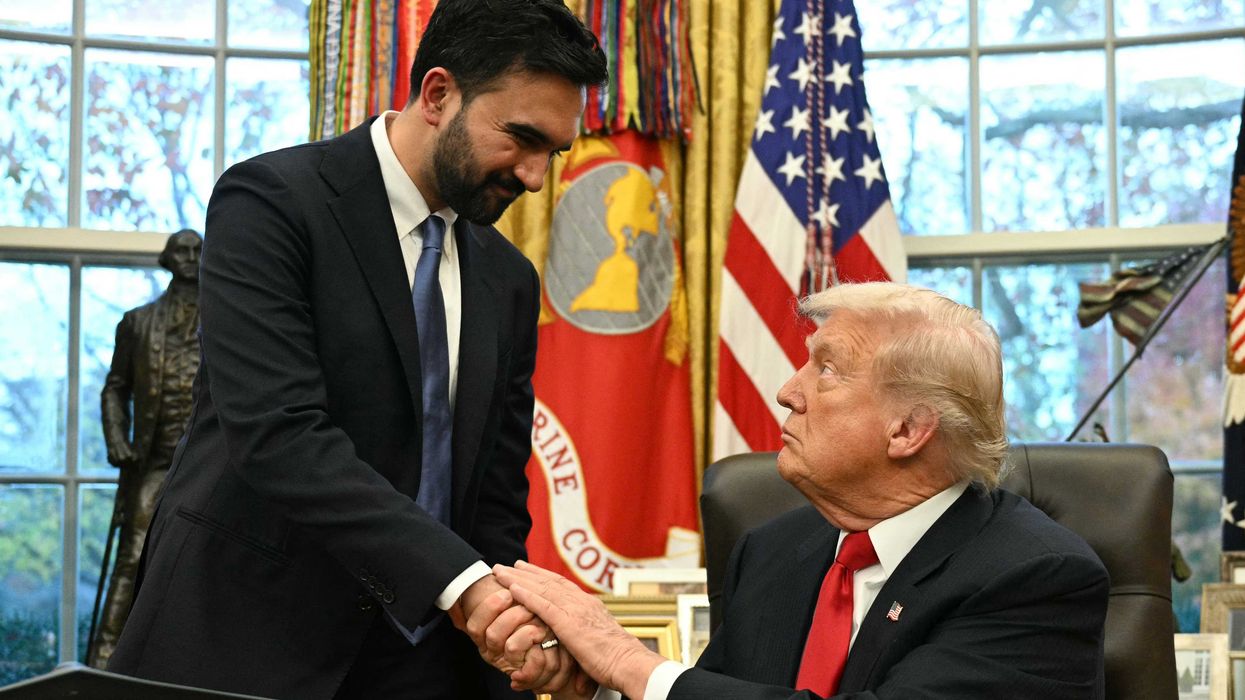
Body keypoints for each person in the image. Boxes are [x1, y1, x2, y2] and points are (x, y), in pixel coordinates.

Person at [107, 1, 608, 698]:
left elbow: (494, 495)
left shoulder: (508, 280)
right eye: (521, 137)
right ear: (438, 94)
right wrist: (464, 586)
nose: (532, 175)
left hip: (432, 663)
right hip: (249, 644)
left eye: (551, 152)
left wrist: (514, 622)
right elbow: (279, 435)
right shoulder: (272, 202)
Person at [493, 282, 1110, 700]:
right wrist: (603, 684)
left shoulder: (1037, 578)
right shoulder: (772, 552)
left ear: (908, 430)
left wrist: (628, 661)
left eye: (828, 370)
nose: (788, 390)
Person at [88, 229, 202, 669]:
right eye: (182, 251)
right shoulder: (137, 322)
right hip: (154, 463)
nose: (191, 258)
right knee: (132, 558)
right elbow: (114, 389)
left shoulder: (230, 318)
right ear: (167, 259)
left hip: (214, 465)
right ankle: (104, 666)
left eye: (198, 250)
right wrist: (117, 441)